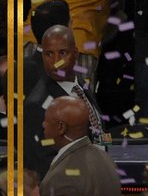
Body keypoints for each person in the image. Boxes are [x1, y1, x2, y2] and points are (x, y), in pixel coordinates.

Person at [22, 26, 105, 177]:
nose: (56, 62)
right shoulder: (37, 105)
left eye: (63, 53)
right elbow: (42, 166)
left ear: (76, 53)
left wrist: (106, 159)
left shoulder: (80, 85)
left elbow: (98, 129)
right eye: (49, 54)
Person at [35, 96, 123, 196]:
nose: (43, 124)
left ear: (61, 127)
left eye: (46, 120)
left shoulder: (62, 177)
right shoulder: (105, 158)